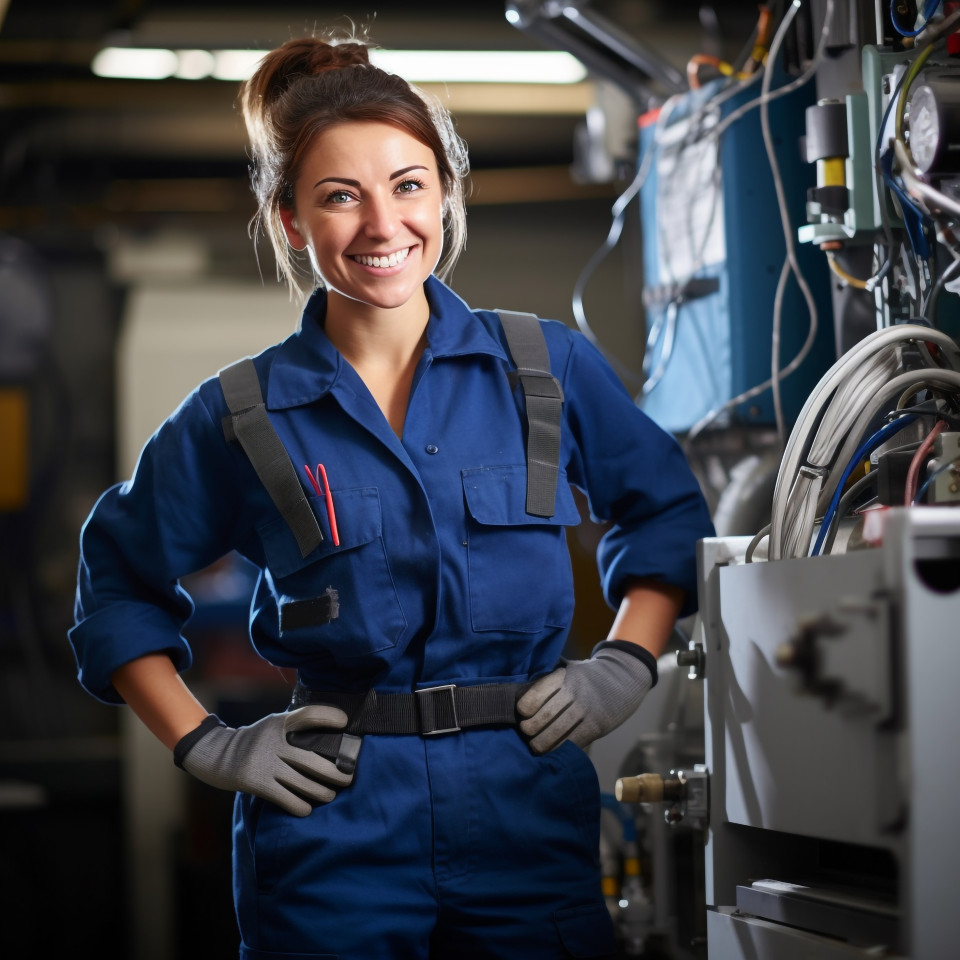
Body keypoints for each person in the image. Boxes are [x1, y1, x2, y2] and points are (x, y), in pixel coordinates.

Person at [70, 32, 714, 960]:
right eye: (340, 196)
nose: (383, 225)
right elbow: (116, 583)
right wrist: (208, 743)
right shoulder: (241, 414)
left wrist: (626, 660)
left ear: (446, 191)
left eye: (408, 185)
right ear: (290, 219)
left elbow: (664, 510)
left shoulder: (546, 369)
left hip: (523, 809)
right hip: (335, 823)